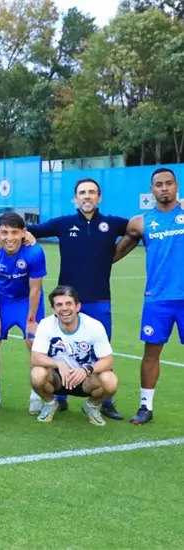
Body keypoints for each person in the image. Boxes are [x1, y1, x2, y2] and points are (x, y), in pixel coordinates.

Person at [24, 177, 129, 419]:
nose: (87, 196)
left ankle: (105, 401)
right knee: (59, 350)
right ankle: (59, 398)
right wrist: (26, 234)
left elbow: (138, 229)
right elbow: (31, 230)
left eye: (92, 192)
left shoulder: (112, 224)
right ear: (75, 198)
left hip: (100, 300)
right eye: (82, 192)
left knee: (102, 353)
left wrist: (121, 250)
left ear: (99, 197)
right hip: (67, 302)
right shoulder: (64, 224)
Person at [112, 167, 184, 425]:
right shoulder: (141, 222)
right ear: (151, 190)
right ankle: (146, 407)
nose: (164, 188)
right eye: (158, 185)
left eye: (169, 184)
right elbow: (115, 254)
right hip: (158, 299)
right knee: (151, 353)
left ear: (176, 187)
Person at [0, 212, 47, 413]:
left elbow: (35, 289)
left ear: (23, 232)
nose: (10, 237)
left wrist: (32, 319)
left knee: (34, 343)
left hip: (27, 301)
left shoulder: (34, 252)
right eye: (4, 232)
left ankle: (35, 396)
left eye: (15, 232)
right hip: (2, 300)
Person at [29, 285, 118, 426]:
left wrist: (86, 370)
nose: (64, 308)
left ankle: (92, 406)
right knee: (37, 373)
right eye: (59, 305)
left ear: (77, 307)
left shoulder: (94, 326)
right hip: (57, 378)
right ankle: (50, 403)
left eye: (68, 304)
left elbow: (108, 361)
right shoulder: (46, 324)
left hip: (86, 379)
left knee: (110, 380)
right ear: (53, 310)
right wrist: (59, 364)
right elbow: (36, 357)